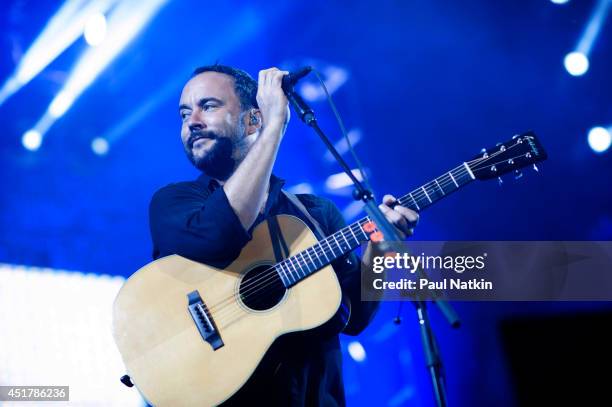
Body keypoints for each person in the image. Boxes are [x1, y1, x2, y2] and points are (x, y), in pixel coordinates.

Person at [148, 64, 419, 406]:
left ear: (252, 120)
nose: (192, 120)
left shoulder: (315, 214)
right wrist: (275, 126)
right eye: (185, 112)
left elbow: (354, 317)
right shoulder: (175, 203)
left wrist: (380, 248)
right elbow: (220, 234)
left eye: (209, 105)